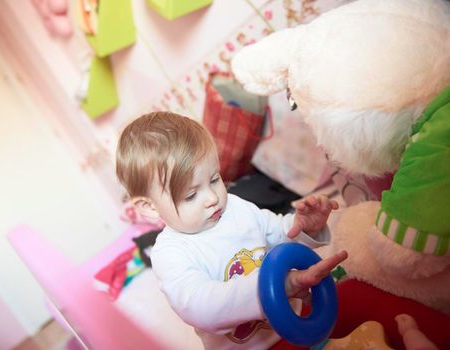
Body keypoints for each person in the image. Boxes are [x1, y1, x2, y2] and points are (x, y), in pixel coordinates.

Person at [115, 111, 348, 350]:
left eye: (215, 179)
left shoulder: (235, 207)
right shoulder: (170, 253)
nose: (212, 198)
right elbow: (201, 306)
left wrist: (303, 227)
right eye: (191, 195)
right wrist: (279, 285)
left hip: (297, 326)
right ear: (150, 207)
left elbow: (277, 235)